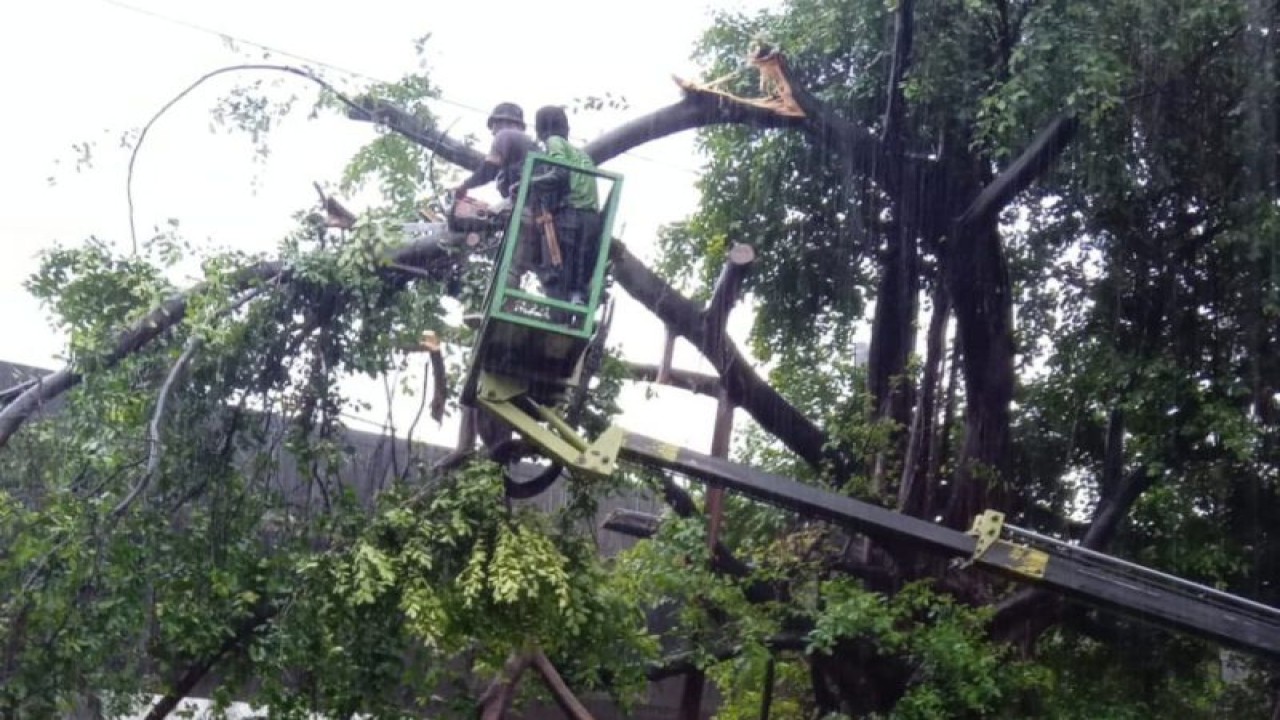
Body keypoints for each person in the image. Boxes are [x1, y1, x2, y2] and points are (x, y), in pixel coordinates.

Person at [454, 102, 539, 292]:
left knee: (484, 218)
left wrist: (464, 187)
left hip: (526, 202)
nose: (492, 131)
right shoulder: (528, 144)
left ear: (504, 122)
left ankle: (502, 299)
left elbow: (488, 171)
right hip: (534, 204)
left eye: (494, 125)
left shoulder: (506, 135)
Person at [527, 105, 602, 309]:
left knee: (556, 261)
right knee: (581, 260)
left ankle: (560, 303)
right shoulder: (583, 155)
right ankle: (577, 296)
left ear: (541, 129)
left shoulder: (554, 142)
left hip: (572, 214)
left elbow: (560, 173)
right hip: (592, 217)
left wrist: (530, 181)